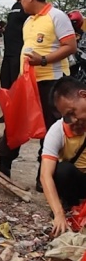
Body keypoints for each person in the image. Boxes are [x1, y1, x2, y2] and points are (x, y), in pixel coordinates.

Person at [0, 0, 76, 192]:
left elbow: (70, 46)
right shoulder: (29, 21)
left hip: (51, 83)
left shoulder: (56, 16)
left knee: (50, 130)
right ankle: (2, 171)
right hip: (28, 83)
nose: (20, 2)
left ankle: (44, 178)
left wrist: (43, 60)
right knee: (15, 123)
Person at [40, 76, 86, 236]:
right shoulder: (57, 130)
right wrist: (58, 214)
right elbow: (45, 175)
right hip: (78, 181)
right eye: (67, 116)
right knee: (62, 170)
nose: (74, 120)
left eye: (73, 112)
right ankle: (70, 206)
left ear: (83, 95)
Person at [0, 0, 29, 89]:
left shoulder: (28, 7)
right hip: (8, 54)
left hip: (19, 55)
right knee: (5, 86)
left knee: (16, 87)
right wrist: (4, 29)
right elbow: (16, 27)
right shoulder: (15, 6)